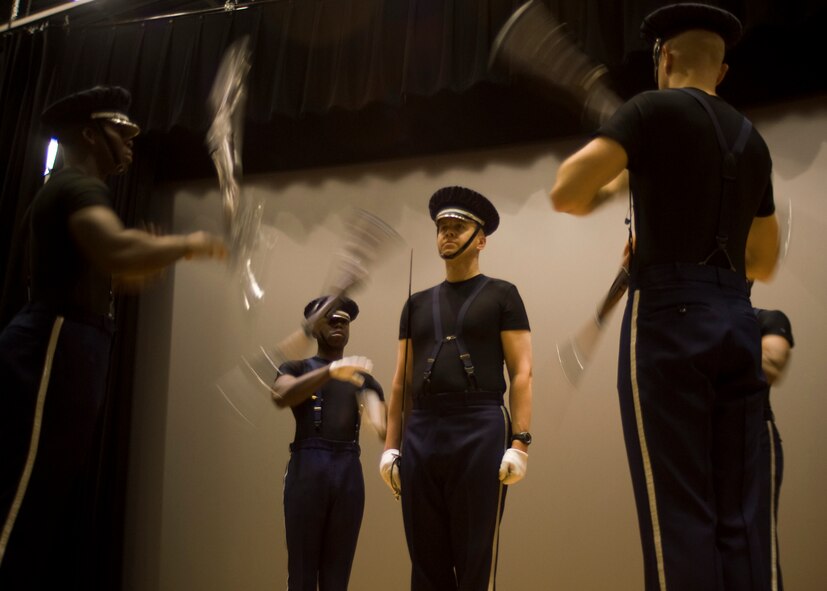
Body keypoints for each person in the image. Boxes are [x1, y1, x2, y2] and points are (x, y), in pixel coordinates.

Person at [550, 4, 780, 590]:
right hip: (737, 317)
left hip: (667, 319)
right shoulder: (753, 142)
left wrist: (623, 180)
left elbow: (566, 192)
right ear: (722, 71)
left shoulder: (649, 110)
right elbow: (764, 262)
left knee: (677, 517)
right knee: (742, 519)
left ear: (665, 57)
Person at [0, 86, 226, 589]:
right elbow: (118, 253)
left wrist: (141, 259)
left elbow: (114, 272)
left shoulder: (80, 189)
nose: (130, 143)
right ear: (89, 133)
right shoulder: (76, 186)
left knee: (45, 505)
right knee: (21, 502)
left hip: (76, 348)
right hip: (51, 347)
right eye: (121, 132)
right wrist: (189, 243)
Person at [380, 186, 533, 590]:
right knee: (425, 559)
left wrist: (520, 443)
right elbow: (401, 381)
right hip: (423, 429)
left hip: (479, 425)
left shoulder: (503, 294)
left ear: (480, 239)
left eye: (458, 226)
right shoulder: (415, 304)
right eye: (442, 227)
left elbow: (522, 372)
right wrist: (391, 446)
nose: (447, 233)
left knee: (474, 554)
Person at [272, 296, 385, 591]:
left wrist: (384, 417)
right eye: (330, 319)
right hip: (307, 471)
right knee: (302, 573)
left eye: (343, 321)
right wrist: (330, 372)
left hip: (348, 474)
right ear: (314, 327)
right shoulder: (295, 368)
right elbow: (280, 396)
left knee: (337, 578)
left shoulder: (363, 378)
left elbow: (383, 427)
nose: (337, 324)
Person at [754, 307, 794, 591]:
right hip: (701, 448)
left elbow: (773, 360)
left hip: (754, 444)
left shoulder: (765, 320)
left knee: (758, 553)